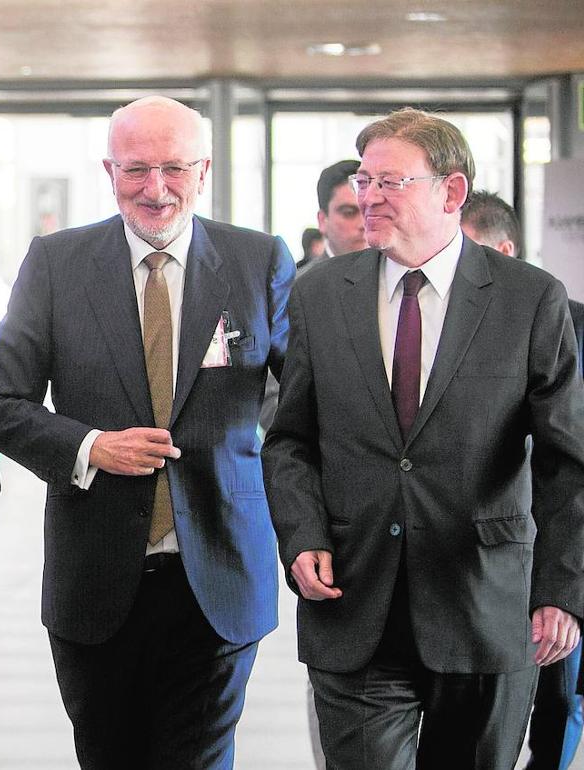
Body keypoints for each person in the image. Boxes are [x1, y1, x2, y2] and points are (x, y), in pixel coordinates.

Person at [263, 108, 584, 768]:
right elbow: (289, 438)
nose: (369, 197)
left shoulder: (529, 299)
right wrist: (302, 536)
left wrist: (561, 591)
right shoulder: (319, 296)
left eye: (391, 181)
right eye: (363, 180)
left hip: (486, 607)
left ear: (452, 191)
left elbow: (567, 462)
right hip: (354, 605)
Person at [0, 95, 294, 768]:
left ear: (204, 171)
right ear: (109, 170)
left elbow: (302, 407)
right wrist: (90, 447)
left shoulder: (258, 260)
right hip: (96, 578)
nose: (156, 190)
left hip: (219, 570)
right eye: (137, 170)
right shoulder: (57, 264)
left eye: (174, 168)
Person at [462, 189, 584, 770]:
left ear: (504, 250)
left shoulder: (566, 321)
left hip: (562, 539)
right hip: (490, 556)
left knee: (561, 696)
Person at [298, 159, 366, 273]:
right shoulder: (300, 287)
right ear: (322, 221)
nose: (363, 224)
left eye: (369, 211)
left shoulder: (395, 281)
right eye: (349, 213)